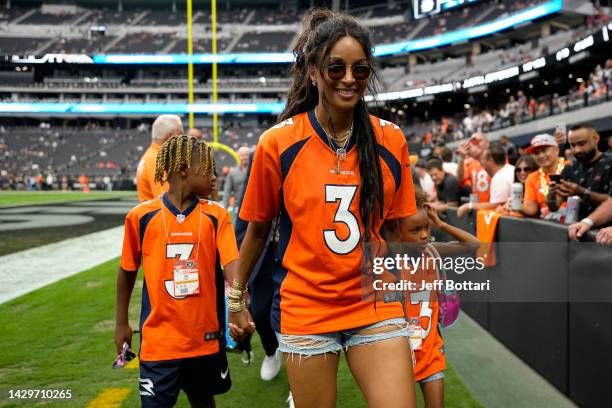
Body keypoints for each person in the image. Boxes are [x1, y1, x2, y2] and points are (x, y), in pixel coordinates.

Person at [229, 9, 417, 407]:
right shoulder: (278, 143)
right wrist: (236, 298)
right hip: (307, 307)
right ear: (313, 72)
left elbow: (399, 230)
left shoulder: (391, 140)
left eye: (360, 69)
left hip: (374, 302)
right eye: (336, 68)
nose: (349, 79)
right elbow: (258, 230)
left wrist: (415, 296)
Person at [115, 135, 244, 407]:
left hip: (204, 339)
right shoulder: (140, 217)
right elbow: (126, 272)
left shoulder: (216, 216)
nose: (213, 177)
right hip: (159, 342)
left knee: (203, 401)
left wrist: (238, 307)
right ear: (184, 169)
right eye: (207, 169)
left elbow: (233, 267)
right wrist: (121, 322)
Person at [393, 189, 479, 408]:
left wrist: (441, 225)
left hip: (431, 349)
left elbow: (473, 244)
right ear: (396, 231)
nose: (423, 235)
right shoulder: (388, 260)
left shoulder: (432, 251)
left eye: (426, 228)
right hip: (399, 354)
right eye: (415, 230)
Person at [548, 123, 612, 220]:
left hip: (605, 231)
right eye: (572, 145)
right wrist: (551, 196)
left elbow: (610, 201)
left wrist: (582, 192)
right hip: (574, 229)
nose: (577, 150)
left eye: (582, 144)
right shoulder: (569, 168)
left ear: (596, 138)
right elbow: (554, 206)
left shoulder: (610, 162)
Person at [136, 114, 184, 202]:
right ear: (170, 137)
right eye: (181, 134)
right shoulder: (158, 161)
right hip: (159, 214)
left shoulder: (152, 155)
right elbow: (169, 203)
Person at [457, 145, 514, 218]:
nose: (482, 164)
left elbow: (496, 205)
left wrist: (468, 206)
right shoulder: (510, 169)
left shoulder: (499, 177)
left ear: (490, 161)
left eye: (484, 160)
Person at [520, 134, 566, 218]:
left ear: (556, 150)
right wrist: (516, 204)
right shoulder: (532, 177)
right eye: (536, 153)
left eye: (544, 150)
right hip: (548, 224)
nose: (541, 156)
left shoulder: (571, 168)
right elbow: (531, 209)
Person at [456, 132, 491, 203]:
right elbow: (460, 179)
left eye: (480, 141)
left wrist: (479, 155)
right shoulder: (470, 163)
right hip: (477, 207)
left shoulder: (496, 155)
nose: (477, 144)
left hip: (493, 206)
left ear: (488, 143)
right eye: (474, 141)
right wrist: (461, 158)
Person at [221, 146, 250, 212]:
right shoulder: (232, 173)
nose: (245, 157)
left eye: (247, 155)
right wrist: (224, 209)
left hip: (254, 207)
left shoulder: (255, 171)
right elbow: (227, 192)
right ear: (238, 156)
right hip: (238, 207)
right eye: (242, 155)